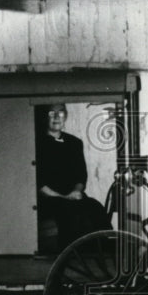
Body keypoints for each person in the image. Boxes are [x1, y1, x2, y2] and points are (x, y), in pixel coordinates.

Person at [36, 104, 112, 252]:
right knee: (70, 213)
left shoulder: (74, 143)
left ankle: (105, 252)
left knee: (95, 207)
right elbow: (38, 181)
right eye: (52, 113)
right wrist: (62, 197)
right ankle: (70, 257)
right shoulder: (36, 143)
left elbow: (80, 175)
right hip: (48, 198)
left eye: (61, 113)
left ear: (66, 116)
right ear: (45, 117)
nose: (57, 117)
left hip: (72, 195)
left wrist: (77, 191)